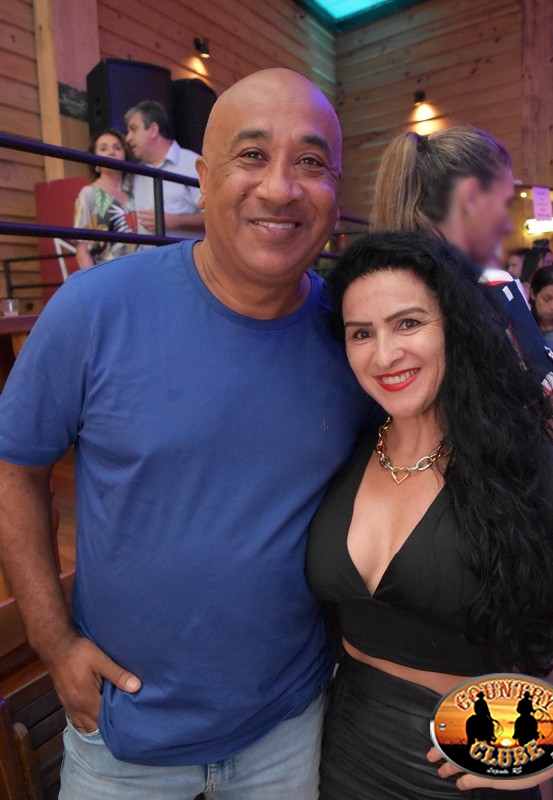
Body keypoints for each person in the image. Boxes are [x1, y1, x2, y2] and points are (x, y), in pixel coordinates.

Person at [0, 68, 377, 800]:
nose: (280, 188)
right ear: (201, 181)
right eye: (252, 155)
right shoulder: (94, 309)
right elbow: (15, 467)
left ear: (335, 192)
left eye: (310, 162)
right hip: (120, 732)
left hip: (289, 725)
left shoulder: (354, 340)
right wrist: (53, 641)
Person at [306, 231, 553, 800]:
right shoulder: (349, 451)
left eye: (408, 324)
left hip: (472, 766)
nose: (384, 354)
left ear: (456, 328)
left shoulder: (519, 464)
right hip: (343, 750)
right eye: (361, 333)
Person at [370, 126, 553, 452]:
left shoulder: (370, 286)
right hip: (484, 468)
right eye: (503, 203)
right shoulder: (490, 285)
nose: (507, 223)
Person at [125, 100, 205, 239]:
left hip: (184, 252)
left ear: (153, 130)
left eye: (134, 129)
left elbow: (217, 216)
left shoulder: (192, 163)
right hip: (145, 253)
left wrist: (174, 221)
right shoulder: (135, 173)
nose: (128, 138)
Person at [73, 128, 138, 268]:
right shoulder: (88, 194)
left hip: (137, 270)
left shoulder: (134, 193)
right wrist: (94, 280)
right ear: (95, 160)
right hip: (104, 272)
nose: (111, 152)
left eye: (117, 148)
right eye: (103, 149)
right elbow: (82, 249)